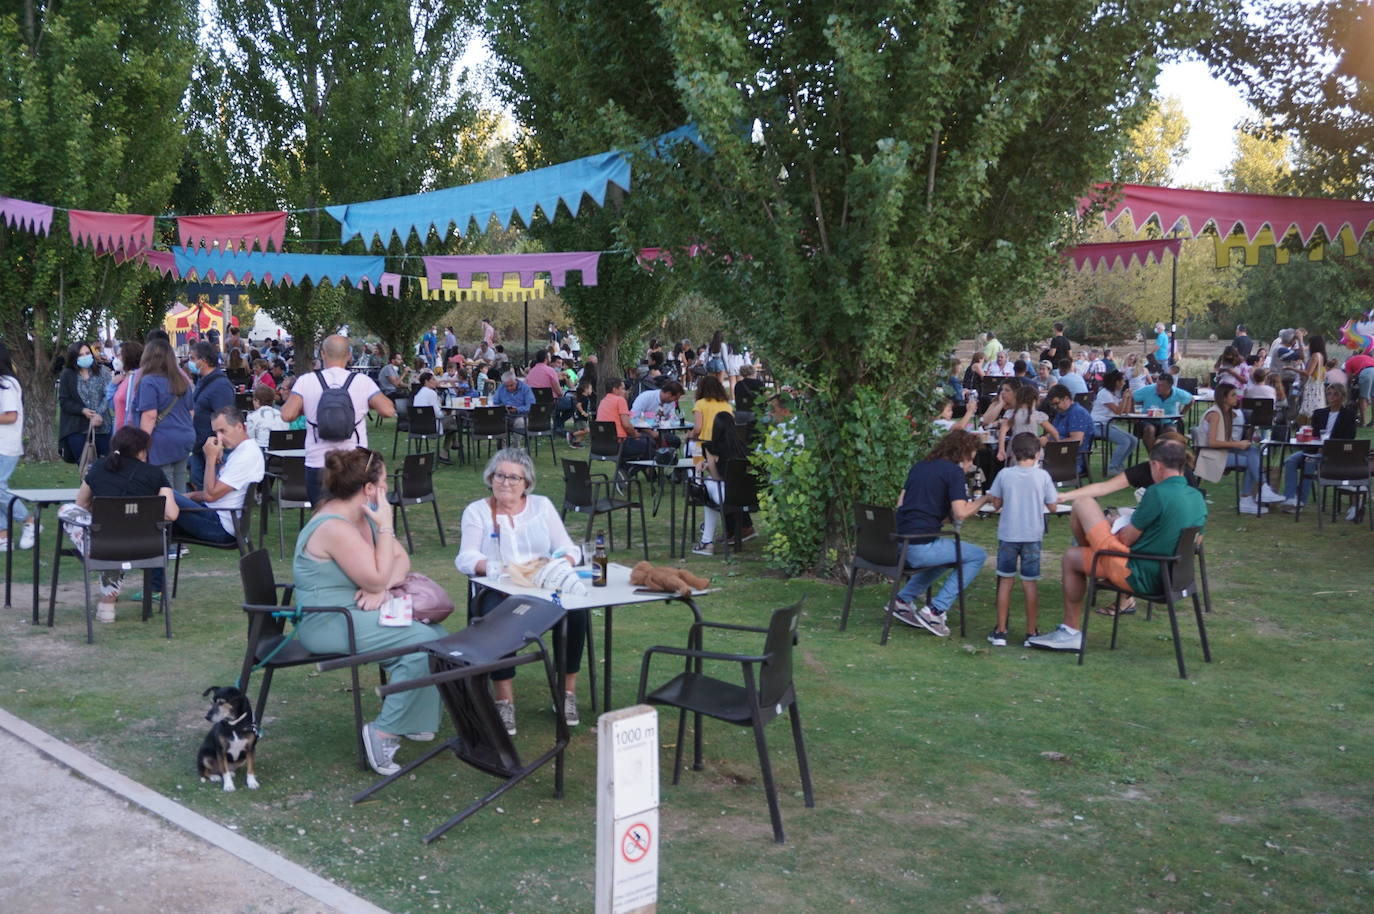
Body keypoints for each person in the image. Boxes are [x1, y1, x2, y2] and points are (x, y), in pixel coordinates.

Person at [293, 448, 446, 776]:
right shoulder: (335, 526)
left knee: (438, 635)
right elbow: (375, 575)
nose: (387, 488)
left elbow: (401, 560)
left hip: (357, 612)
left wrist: (382, 588)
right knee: (423, 642)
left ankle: (414, 718)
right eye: (384, 481)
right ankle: (382, 733)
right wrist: (386, 530)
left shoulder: (364, 514)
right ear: (368, 488)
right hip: (331, 620)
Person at [1027, 439, 1207, 652]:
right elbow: (1195, 541)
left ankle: (1071, 631)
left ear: (1156, 465)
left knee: (1082, 504)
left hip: (1139, 573)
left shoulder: (1157, 494)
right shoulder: (1197, 497)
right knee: (1075, 554)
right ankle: (1071, 627)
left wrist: (1114, 524)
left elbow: (1126, 540)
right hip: (1175, 577)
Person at [454, 448, 587, 734]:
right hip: (498, 589)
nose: (506, 482)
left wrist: (561, 562)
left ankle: (566, 693)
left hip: (543, 586)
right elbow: (465, 558)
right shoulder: (477, 511)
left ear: (526, 483)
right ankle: (504, 701)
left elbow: (568, 547)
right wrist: (497, 568)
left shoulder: (542, 506)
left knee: (576, 614)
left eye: (514, 478)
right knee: (497, 617)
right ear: (490, 478)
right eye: (500, 475)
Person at [67, 426, 179, 622]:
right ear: (142, 450)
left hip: (104, 545)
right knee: (121, 534)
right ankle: (107, 602)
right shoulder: (155, 474)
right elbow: (171, 514)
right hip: (147, 547)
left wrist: (102, 510)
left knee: (68, 511)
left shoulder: (98, 468)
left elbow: (81, 504)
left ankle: (92, 555)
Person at [889, 429, 989, 637]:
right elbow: (961, 513)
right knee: (977, 555)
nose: (970, 464)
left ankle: (902, 600)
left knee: (949, 554)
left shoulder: (920, 466)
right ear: (962, 454)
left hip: (896, 542)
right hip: (918, 546)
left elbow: (901, 503)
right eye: (970, 459)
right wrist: (985, 499)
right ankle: (935, 610)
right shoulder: (953, 472)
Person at [280, 335, 396, 505]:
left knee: (322, 515)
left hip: (318, 461)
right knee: (354, 514)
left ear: (322, 354)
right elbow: (387, 410)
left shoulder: (306, 381)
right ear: (349, 355)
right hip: (354, 462)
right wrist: (365, 404)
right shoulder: (362, 381)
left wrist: (306, 408)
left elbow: (287, 415)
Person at [985, 433, 1060, 646]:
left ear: (1013, 453)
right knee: (1030, 583)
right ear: (1037, 454)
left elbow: (996, 504)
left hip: (1008, 534)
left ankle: (1001, 631)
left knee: (1005, 581)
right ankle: (1031, 632)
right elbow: (1053, 506)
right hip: (1032, 534)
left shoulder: (1004, 474)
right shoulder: (1042, 476)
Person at [173, 406, 264, 544]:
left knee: (161, 493)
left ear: (239, 427)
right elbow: (214, 493)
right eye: (216, 432)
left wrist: (210, 458)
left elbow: (210, 496)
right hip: (217, 516)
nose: (219, 438)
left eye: (223, 431)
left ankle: (147, 545)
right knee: (164, 501)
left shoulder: (246, 456)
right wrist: (190, 496)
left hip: (221, 525)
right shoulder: (242, 451)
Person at [1196, 383, 1283, 514]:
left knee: (1253, 450)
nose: (1237, 397)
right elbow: (1212, 442)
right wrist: (1237, 445)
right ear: (1224, 398)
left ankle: (1261, 490)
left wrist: (1241, 443)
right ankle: (1249, 496)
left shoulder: (1226, 413)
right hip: (1211, 455)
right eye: (1233, 395)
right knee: (1250, 462)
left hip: (1221, 452)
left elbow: (1225, 439)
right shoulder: (1215, 414)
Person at [132, 339, 195, 492]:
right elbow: (191, 412)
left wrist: (141, 446)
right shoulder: (181, 381)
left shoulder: (149, 382)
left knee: (164, 489)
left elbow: (150, 416)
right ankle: (181, 507)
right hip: (184, 437)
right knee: (180, 487)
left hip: (161, 442)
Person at [1281, 384, 1357, 510]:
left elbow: (1349, 438)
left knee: (1309, 461)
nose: (1331, 397)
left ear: (1342, 397)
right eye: (1329, 394)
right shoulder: (1319, 413)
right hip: (1314, 449)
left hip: (1333, 454)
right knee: (1290, 461)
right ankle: (1290, 498)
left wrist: (1328, 446)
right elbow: (1314, 435)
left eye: (1335, 394)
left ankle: (1301, 501)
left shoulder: (1348, 415)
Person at [692, 411, 756, 555]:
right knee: (712, 490)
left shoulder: (711, 447)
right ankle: (708, 540)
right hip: (748, 495)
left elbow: (716, 476)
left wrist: (708, 466)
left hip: (727, 495)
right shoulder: (742, 447)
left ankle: (707, 541)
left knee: (707, 488)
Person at [0, 344, 37, 551]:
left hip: (6, 445)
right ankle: (3, 535)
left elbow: (11, 416)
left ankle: (29, 521)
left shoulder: (8, 384)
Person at [187, 341, 235, 491]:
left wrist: (220, 446)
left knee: (210, 489)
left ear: (204, 361)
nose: (190, 362)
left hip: (213, 448)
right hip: (199, 445)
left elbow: (225, 419)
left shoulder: (220, 385)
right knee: (198, 486)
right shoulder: (202, 381)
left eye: (193, 358)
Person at [58, 340, 113, 463]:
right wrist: (82, 410)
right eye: (80, 355)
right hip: (78, 429)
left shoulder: (103, 371)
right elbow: (64, 401)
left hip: (103, 427)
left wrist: (98, 413)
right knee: (86, 468)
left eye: (87, 353)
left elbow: (108, 394)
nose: (85, 357)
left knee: (105, 466)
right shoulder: (67, 374)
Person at [1090, 370, 1137, 476]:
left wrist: (1128, 398)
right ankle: (1112, 467)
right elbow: (1118, 411)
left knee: (1133, 440)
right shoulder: (1104, 393)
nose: (1124, 383)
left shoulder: (1114, 393)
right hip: (1098, 425)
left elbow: (1125, 411)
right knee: (1124, 441)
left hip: (1107, 424)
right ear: (1116, 382)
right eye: (1122, 381)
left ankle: (1118, 464)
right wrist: (1124, 398)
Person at [595, 377, 653, 460]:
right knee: (649, 443)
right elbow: (627, 426)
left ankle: (626, 467)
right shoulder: (620, 400)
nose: (625, 391)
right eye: (623, 389)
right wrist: (635, 435)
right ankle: (643, 467)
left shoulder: (603, 401)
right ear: (615, 389)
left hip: (602, 444)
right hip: (620, 444)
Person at [1132, 373, 1193, 451]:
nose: (1158, 387)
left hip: (1168, 421)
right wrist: (1134, 414)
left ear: (1170, 386)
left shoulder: (1177, 393)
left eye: (1162, 386)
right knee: (1150, 429)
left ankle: (1167, 455)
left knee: (1171, 432)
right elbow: (1132, 397)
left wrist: (1182, 414)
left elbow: (1191, 400)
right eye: (1157, 384)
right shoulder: (1148, 389)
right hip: (1147, 420)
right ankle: (1153, 455)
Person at [997, 384, 1057, 463]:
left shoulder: (1011, 413)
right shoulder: (1037, 415)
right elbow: (1053, 431)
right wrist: (1057, 443)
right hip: (1033, 448)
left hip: (1016, 449)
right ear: (1035, 400)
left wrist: (1001, 449)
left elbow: (1002, 431)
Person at [688, 375, 733, 462]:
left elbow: (697, 429)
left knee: (689, 446)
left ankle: (694, 468)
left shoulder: (700, 404)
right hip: (723, 444)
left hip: (705, 443)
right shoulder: (727, 405)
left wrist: (691, 435)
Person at [1298, 334, 1328, 420]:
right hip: (1318, 384)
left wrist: (1292, 369)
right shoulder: (1322, 356)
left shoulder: (1315, 355)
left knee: (1309, 405)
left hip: (1312, 385)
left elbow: (1308, 373)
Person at [1346, 350, 1374, 426]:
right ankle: (1373, 422)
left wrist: (1348, 390)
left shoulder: (1348, 362)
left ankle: (1363, 422)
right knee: (1373, 397)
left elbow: (1349, 378)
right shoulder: (1366, 357)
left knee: (1362, 398)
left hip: (1366, 372)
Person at [568, 378, 594, 447]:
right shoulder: (583, 397)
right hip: (580, 417)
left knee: (582, 431)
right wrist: (583, 412)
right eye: (590, 389)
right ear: (585, 389)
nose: (591, 390)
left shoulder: (586, 398)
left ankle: (576, 443)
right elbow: (578, 405)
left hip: (583, 418)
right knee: (587, 430)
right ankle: (571, 434)